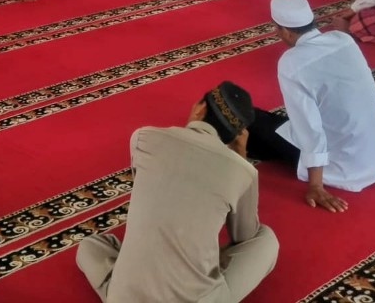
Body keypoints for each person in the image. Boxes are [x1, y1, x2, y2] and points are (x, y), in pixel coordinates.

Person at [76, 82, 278, 302]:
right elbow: (244, 237)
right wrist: (240, 157)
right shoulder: (243, 172)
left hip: (124, 296)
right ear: (238, 136)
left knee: (90, 246)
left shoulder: (143, 138)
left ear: (200, 109)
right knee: (266, 240)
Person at [247, 0, 375, 212]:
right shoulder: (343, 40)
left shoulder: (292, 62)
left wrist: (316, 185)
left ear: (284, 31)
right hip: (372, 156)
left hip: (339, 162)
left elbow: (309, 126)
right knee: (276, 124)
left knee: (245, 118)